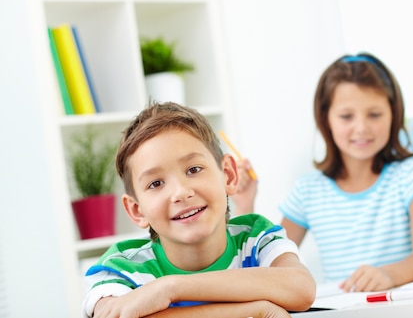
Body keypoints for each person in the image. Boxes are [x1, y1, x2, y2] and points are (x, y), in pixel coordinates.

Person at [234, 52, 413, 292]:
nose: (361, 128)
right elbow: (269, 265)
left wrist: (388, 274)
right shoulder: (308, 190)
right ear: (326, 119)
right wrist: (245, 207)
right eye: (346, 116)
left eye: (374, 114)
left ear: (393, 113)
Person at [82, 102, 316, 318]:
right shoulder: (122, 268)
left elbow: (300, 289)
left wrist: (170, 288)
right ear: (136, 210)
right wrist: (258, 310)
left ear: (229, 175)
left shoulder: (256, 238)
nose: (181, 192)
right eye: (156, 183)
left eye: (193, 169)